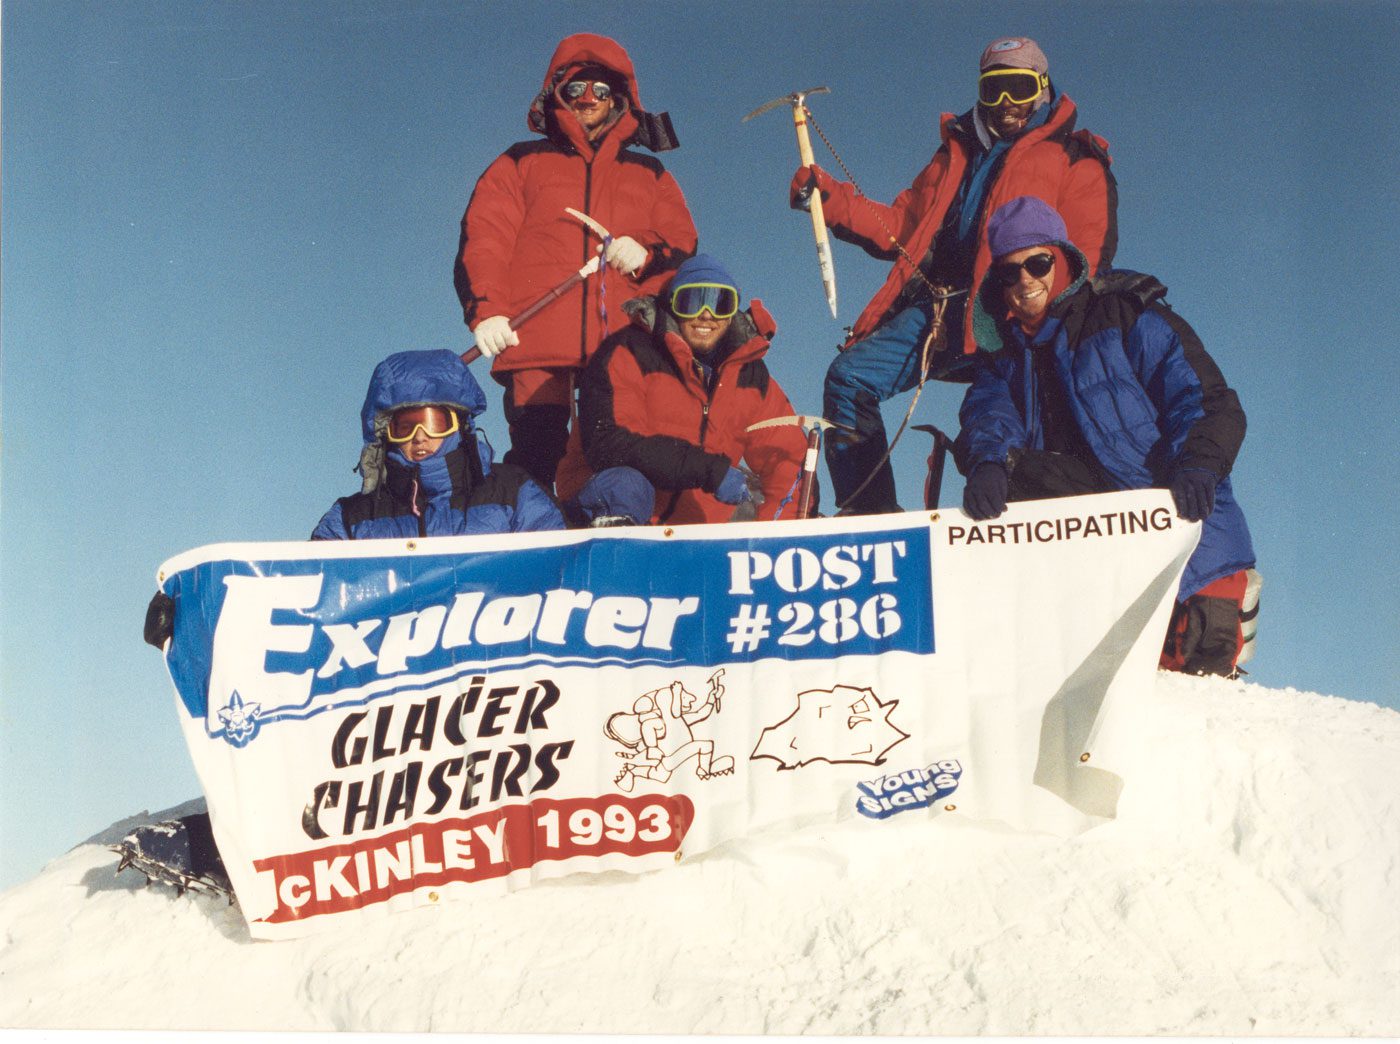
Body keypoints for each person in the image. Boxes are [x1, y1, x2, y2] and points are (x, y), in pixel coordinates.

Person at [789, 36, 1116, 514]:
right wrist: (831, 198)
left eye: (1018, 88)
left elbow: (1089, 249)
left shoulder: (1073, 159)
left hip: (1020, 314)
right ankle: (871, 515)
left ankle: (1051, 522)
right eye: (993, 89)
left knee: (1017, 426)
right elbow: (901, 227)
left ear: (1042, 88)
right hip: (946, 309)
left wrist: (1050, 309)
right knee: (849, 377)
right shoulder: (954, 156)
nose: (1006, 105)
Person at [953, 196, 1259, 677]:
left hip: (1173, 522)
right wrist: (988, 461)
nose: (1025, 280)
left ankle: (1221, 617)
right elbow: (988, 417)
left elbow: (1206, 401)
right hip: (1090, 549)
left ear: (1062, 260)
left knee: (1193, 671)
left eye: (1037, 263)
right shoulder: (1003, 360)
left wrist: (1198, 462)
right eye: (1010, 272)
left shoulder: (1124, 316)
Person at [454, 33, 698, 492]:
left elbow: (682, 242)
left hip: (622, 346)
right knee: (535, 458)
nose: (588, 99)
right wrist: (487, 311)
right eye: (576, 89)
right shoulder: (521, 162)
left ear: (619, 100)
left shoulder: (650, 174)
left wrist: (646, 253)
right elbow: (485, 237)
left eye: (601, 91)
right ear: (556, 95)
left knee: (619, 456)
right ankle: (533, 548)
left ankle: (620, 545)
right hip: (535, 341)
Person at [555, 254, 810, 526]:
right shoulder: (628, 351)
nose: (706, 314)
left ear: (733, 312)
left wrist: (783, 531)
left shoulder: (750, 376)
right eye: (692, 301)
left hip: (692, 525)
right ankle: (617, 555)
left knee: (755, 503)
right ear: (672, 305)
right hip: (609, 498)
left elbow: (787, 459)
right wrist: (707, 470)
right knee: (626, 484)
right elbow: (610, 443)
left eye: (720, 304)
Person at [312, 349, 565, 539]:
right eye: (405, 427)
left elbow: (560, 566)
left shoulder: (513, 492)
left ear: (460, 426)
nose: (420, 436)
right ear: (386, 434)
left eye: (434, 423)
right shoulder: (351, 519)